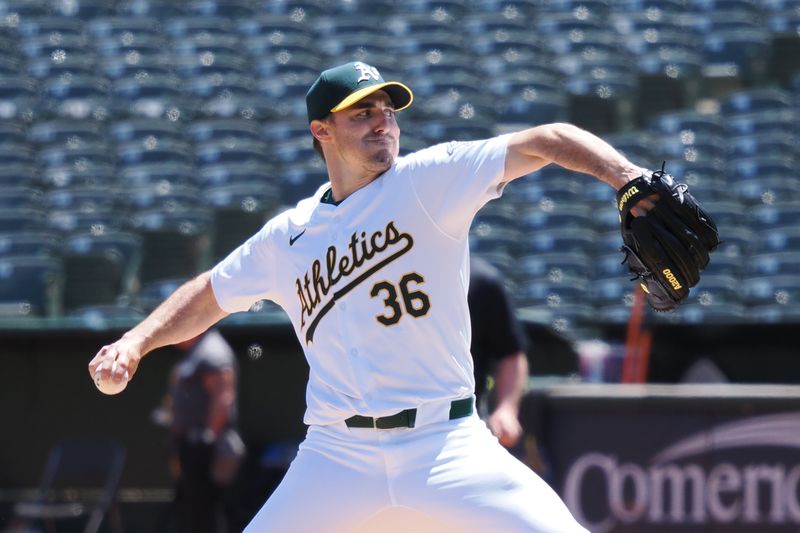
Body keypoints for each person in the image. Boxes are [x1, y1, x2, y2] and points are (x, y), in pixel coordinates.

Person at [89, 61, 653, 532]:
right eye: (363, 113)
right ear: (322, 131)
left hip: (445, 442)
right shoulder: (288, 236)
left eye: (388, 111)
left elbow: (547, 141)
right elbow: (208, 294)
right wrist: (136, 342)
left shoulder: (428, 180)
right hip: (337, 456)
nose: (382, 122)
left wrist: (627, 177)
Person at [158, 329, 245, 533]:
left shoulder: (212, 350)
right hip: (193, 447)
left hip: (209, 448)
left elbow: (223, 400)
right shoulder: (197, 351)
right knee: (192, 510)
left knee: (208, 511)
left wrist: (207, 439)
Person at [469, 255, 529, 450]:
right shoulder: (389, 272)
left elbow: (510, 353)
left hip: (463, 421)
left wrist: (507, 408)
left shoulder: (482, 280)